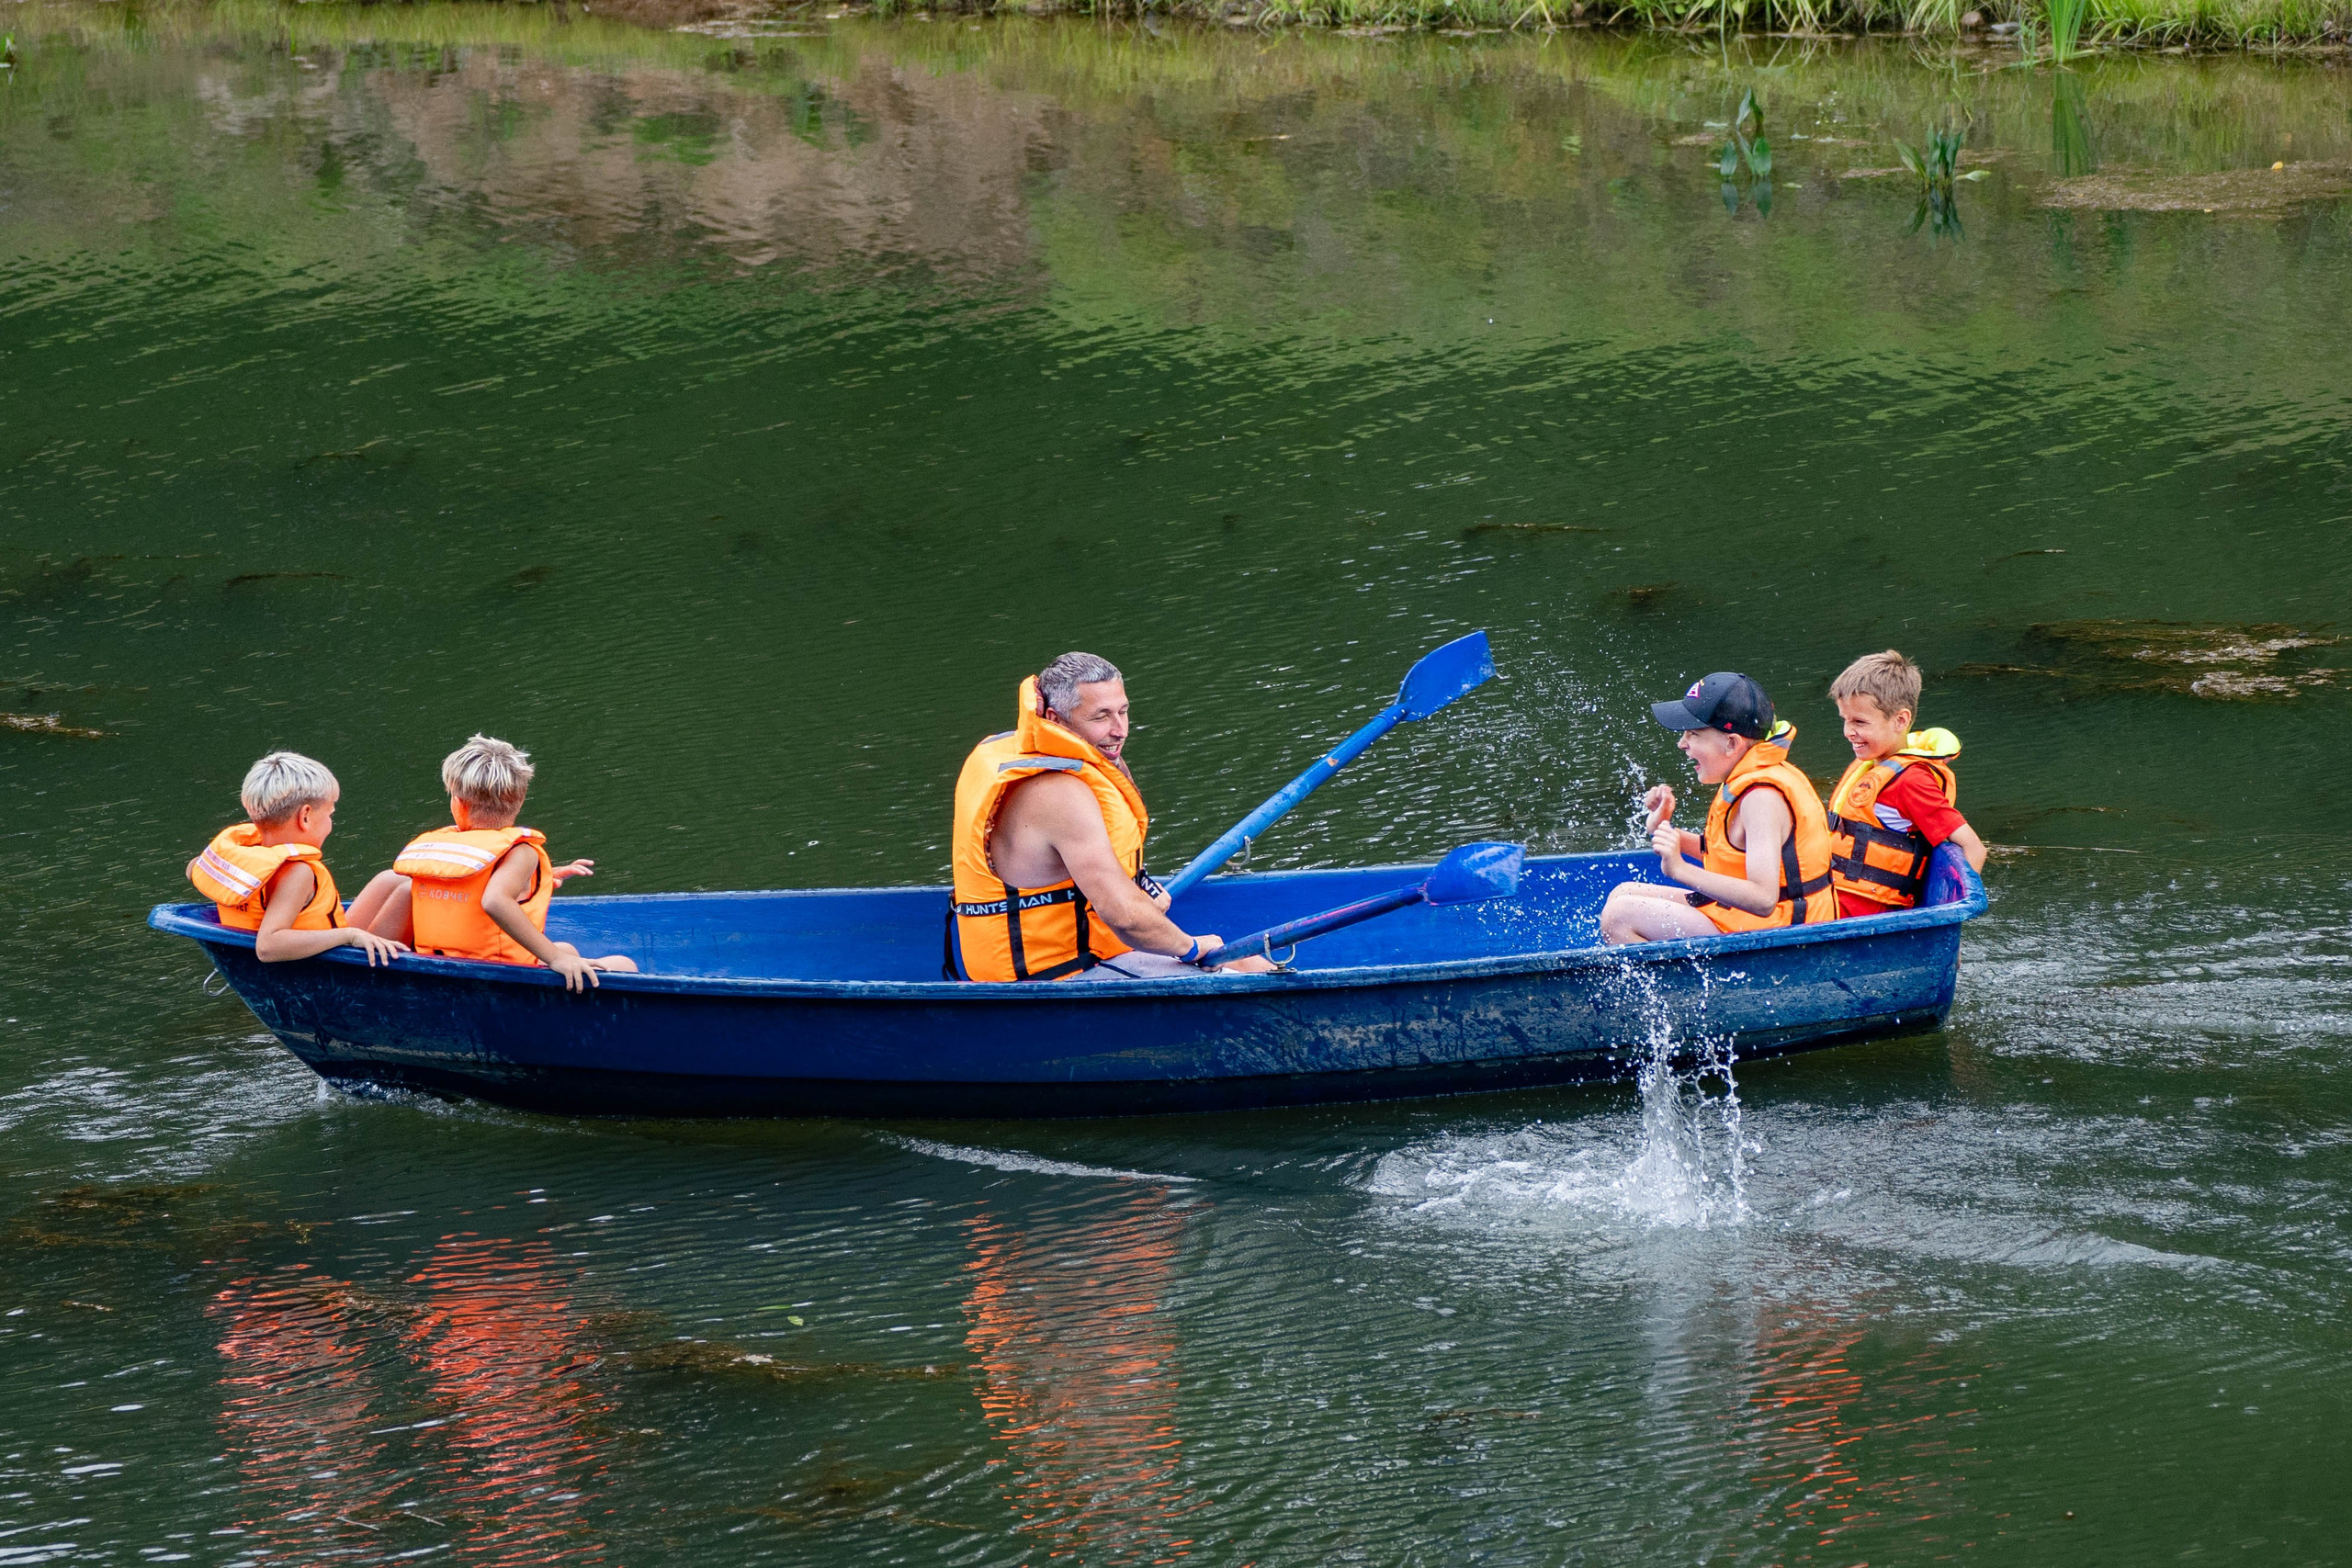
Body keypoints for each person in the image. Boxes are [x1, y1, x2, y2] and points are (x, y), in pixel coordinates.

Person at [948, 653, 1273, 981]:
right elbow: (1126, 918)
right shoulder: (1058, 794)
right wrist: (1191, 948)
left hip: (1076, 952)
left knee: (1250, 962)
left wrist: (1142, 895)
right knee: (1250, 976)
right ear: (1055, 719)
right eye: (1101, 717)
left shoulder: (1018, 751)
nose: (1120, 730)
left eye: (1123, 711)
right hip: (1056, 975)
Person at [1599, 671, 1838, 945]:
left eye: (1693, 734)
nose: (1682, 743)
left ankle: (1685, 978)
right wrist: (1664, 829)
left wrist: (1680, 870)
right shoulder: (1748, 777)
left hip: (1788, 935)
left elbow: (1763, 899)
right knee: (1623, 892)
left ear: (1731, 743)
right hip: (1755, 920)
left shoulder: (1762, 798)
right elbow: (1730, 854)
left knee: (1619, 916)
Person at [384, 735, 637, 991]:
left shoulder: (444, 852)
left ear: (458, 803)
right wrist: (555, 959)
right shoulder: (521, 852)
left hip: (440, 966)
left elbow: (472, 888)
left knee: (567, 949)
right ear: (521, 799)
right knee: (623, 964)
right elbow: (494, 900)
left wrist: (541, 877)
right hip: (499, 975)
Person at [187, 750, 409, 964]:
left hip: (321, 940)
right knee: (408, 892)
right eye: (330, 815)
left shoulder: (244, 854)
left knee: (392, 879)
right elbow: (267, 947)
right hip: (333, 965)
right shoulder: (298, 873)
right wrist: (350, 935)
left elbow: (192, 869)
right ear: (305, 817)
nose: (330, 824)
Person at [1825, 650, 1987, 919]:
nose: (1848, 732)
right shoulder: (1872, 765)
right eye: (1845, 720)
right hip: (1834, 899)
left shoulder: (1912, 782)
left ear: (1900, 720)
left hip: (1866, 916)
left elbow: (1974, 849)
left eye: (1859, 722)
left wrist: (1948, 922)